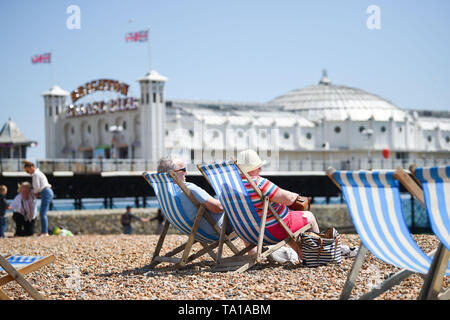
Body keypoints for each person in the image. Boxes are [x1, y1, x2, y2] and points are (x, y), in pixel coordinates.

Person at [236, 149, 320, 255]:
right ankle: (318, 253)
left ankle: (253, 252)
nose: (260, 170)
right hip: (271, 232)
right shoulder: (259, 183)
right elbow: (289, 200)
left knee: (285, 225)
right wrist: (296, 196)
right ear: (254, 168)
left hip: (247, 233)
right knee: (309, 216)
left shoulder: (231, 187)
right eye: (259, 167)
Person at [156, 157, 233, 237]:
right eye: (183, 170)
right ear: (173, 174)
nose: (186, 172)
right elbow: (218, 208)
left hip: (194, 232)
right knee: (245, 217)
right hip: (218, 230)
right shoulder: (188, 188)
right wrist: (228, 199)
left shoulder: (162, 192)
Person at [23, 160, 54, 236]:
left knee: (42, 214)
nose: (28, 173)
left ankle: (44, 232)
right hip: (47, 192)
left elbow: (36, 186)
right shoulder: (38, 173)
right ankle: (44, 231)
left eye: (27, 171)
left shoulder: (35, 174)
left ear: (31, 167)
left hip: (45, 192)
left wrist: (35, 193)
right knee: (43, 213)